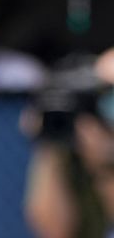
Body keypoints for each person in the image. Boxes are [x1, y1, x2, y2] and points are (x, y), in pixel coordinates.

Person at [21, 47, 114, 238]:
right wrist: (50, 148)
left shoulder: (100, 158)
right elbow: (54, 231)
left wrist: (104, 168)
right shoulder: (76, 151)